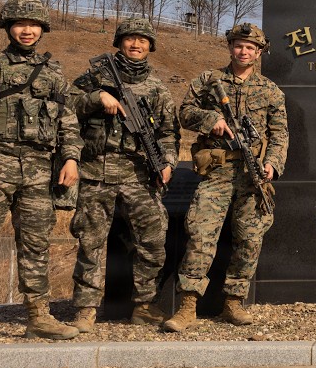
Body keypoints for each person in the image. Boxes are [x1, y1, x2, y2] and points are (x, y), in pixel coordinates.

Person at [0, 0, 82, 350]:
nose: (27, 30)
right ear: (8, 27)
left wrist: (70, 158)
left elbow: (69, 122)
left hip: (39, 169)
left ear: (43, 29)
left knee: (37, 245)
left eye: (34, 25)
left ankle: (38, 317)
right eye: (20, 24)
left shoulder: (53, 73)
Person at [163, 22, 288, 331]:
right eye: (238, 45)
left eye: (250, 47)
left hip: (252, 174)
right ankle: (188, 305)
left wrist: (272, 164)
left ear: (259, 53)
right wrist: (212, 120)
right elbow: (185, 112)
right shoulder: (209, 81)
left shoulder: (270, 90)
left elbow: (279, 134)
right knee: (202, 236)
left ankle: (233, 302)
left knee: (249, 239)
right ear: (231, 47)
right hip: (216, 172)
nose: (243, 51)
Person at [67, 18, 179, 333]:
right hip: (96, 169)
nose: (136, 44)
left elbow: (169, 132)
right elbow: (65, 106)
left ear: (150, 46)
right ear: (119, 41)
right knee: (90, 241)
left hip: (138, 173)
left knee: (154, 239)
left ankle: (144, 304)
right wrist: (96, 98)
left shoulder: (157, 87)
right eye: (130, 39)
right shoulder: (94, 77)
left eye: (143, 40)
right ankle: (86, 309)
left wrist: (167, 161)